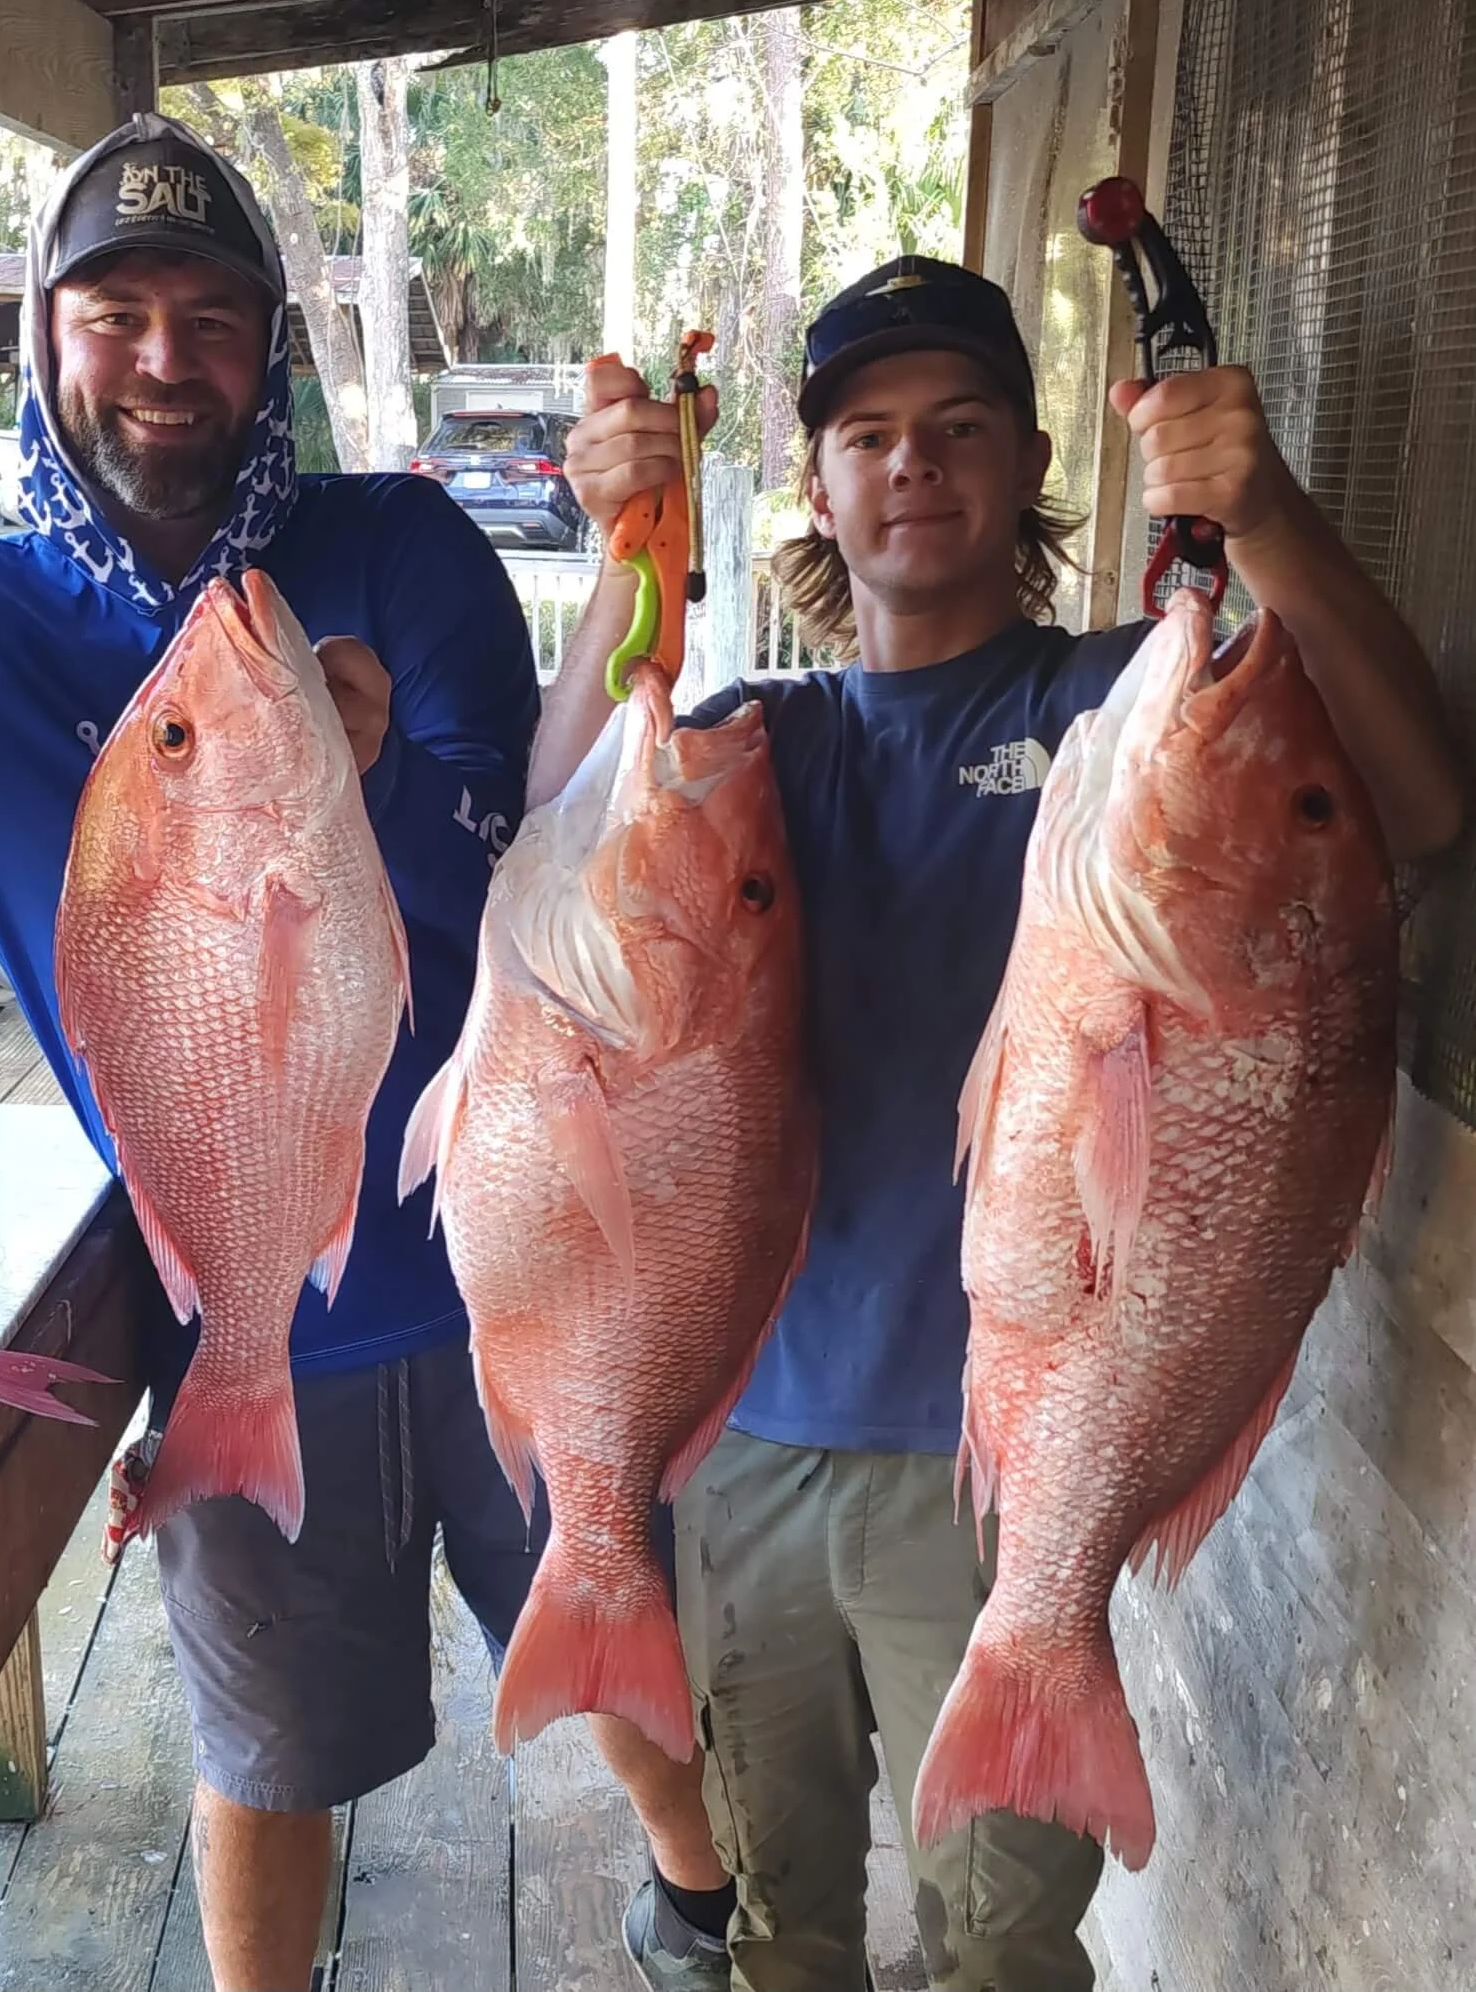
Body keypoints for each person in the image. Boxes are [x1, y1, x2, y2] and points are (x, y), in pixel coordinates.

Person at [0, 112, 732, 1992]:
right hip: (248, 1308)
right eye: (116, 311)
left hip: (527, 1257)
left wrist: (383, 764)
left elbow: (532, 848)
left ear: (273, 346)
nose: (167, 358)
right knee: (260, 1754)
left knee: (619, 1627)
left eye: (212, 314)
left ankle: (700, 1900)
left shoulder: (402, 550)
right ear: (44, 339)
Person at [531, 254, 1464, 1991]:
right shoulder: (761, 743)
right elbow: (557, 825)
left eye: (959, 425)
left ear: (1034, 459)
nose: (913, 462)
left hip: (1008, 1486)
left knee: (1002, 1946)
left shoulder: (1128, 708)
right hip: (758, 1443)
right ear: (815, 484)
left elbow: (1408, 793)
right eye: (867, 433)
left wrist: (1258, 520)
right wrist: (620, 568)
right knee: (778, 1900)